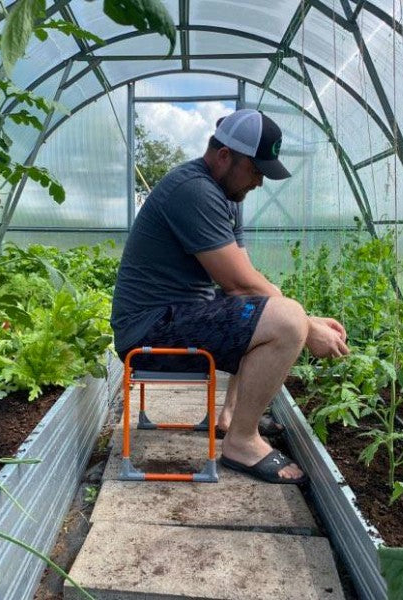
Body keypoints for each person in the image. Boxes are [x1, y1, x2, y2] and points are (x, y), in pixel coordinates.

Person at [111, 108, 350, 484]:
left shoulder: (228, 195)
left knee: (267, 309)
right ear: (224, 157)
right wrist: (304, 325)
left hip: (177, 318)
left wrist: (307, 319)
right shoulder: (193, 190)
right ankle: (241, 442)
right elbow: (239, 285)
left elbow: (244, 280)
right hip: (148, 333)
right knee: (283, 320)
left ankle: (230, 419)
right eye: (256, 170)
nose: (260, 181)